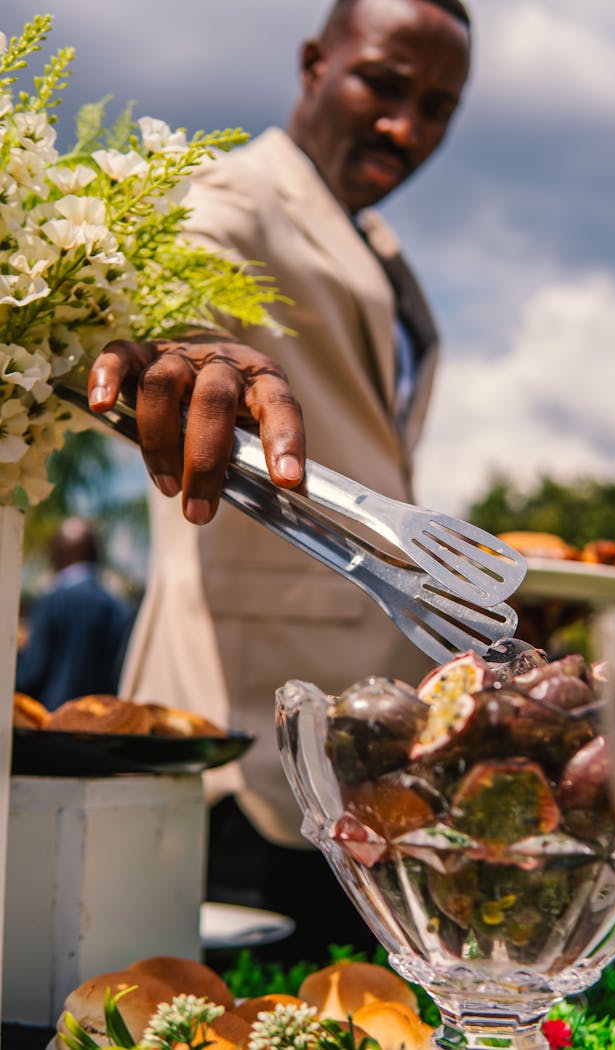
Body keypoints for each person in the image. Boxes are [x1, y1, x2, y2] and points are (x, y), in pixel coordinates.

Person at [87, 0, 471, 957]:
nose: (406, 126)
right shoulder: (237, 192)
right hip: (240, 751)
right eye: (382, 84)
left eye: (438, 105)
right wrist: (183, 347)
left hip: (359, 759)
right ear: (312, 62)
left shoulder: (378, 248)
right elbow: (173, 282)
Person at [15, 517, 133, 710]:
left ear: (59, 553)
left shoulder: (52, 602)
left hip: (52, 726)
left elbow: (30, 674)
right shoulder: (119, 607)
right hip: (103, 725)